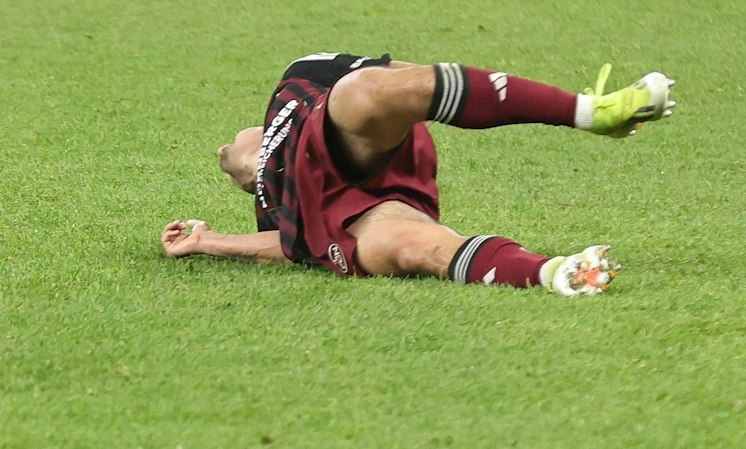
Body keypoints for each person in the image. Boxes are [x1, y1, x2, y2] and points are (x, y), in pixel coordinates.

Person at [161, 54, 677, 296]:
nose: (232, 157)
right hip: (345, 219)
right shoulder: (278, 210)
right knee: (413, 250)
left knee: (366, 93)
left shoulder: (298, 86)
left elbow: (407, 79)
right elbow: (292, 248)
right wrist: (208, 241)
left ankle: (591, 111)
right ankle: (557, 273)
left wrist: (408, 95)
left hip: (346, 144)